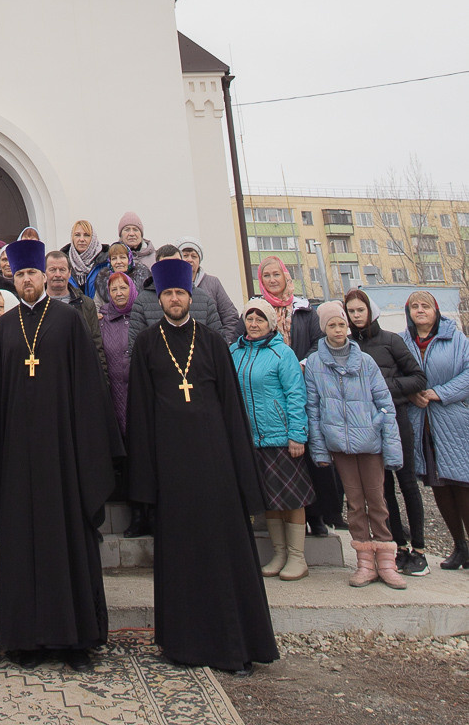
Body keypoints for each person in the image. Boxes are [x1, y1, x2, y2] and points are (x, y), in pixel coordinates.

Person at [127, 257, 279, 676]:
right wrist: (146, 483)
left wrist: (241, 473)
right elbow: (139, 417)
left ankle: (235, 643)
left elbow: (233, 410)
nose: (174, 299)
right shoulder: (146, 345)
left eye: (180, 293)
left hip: (217, 471)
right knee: (180, 559)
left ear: (190, 298)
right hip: (172, 472)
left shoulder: (212, 341)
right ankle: (182, 644)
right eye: (168, 294)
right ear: (159, 298)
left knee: (226, 555)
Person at [0, 238, 122, 670]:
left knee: (68, 545)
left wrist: (88, 457)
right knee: (21, 544)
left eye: (33, 274)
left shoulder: (67, 322)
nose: (27, 280)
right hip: (18, 462)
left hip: (64, 460)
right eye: (20, 275)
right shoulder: (5, 329)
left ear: (46, 276)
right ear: (14, 278)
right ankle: (25, 640)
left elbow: (89, 392)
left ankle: (74, 641)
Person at [304, 301, 404, 588]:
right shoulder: (315, 365)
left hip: (369, 441)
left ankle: (386, 560)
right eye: (332, 325)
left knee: (377, 500)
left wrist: (389, 443)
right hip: (340, 443)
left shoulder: (366, 361)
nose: (339, 330)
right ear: (324, 329)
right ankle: (364, 561)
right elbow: (313, 407)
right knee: (355, 502)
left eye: (342, 324)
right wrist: (321, 448)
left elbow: (385, 404)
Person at [345, 288, 428, 575]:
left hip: (396, 420)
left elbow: (418, 378)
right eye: (351, 311)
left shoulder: (391, 341)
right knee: (382, 489)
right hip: (367, 426)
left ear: (370, 310)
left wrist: (384, 390)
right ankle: (398, 544)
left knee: (407, 482)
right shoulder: (348, 346)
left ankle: (419, 549)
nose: (356, 316)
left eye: (360, 310)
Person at [229, 297, 313, 582]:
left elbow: (295, 394)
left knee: (292, 498)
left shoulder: (282, 353)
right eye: (249, 319)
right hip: (251, 438)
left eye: (259, 319)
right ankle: (279, 553)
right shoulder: (234, 352)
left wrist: (297, 434)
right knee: (270, 498)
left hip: (281, 437)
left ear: (270, 324)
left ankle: (297, 556)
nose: (253, 324)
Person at [253, 254, 338, 536]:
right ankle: (286, 516)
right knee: (286, 457)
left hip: (302, 379)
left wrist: (302, 363)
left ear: (286, 276)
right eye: (266, 276)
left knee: (310, 450)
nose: (272, 280)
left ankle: (318, 515)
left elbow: (318, 343)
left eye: (276, 274)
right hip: (272, 390)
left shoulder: (304, 309)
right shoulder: (258, 309)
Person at [401, 290, 469, 571]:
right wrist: (412, 394)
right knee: (438, 484)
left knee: (462, 484)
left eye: (425, 306)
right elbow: (395, 376)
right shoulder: (403, 342)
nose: (420, 310)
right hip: (422, 423)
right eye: (414, 306)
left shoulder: (455, 338)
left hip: (453, 421)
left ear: (436, 310)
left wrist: (437, 393)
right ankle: (460, 547)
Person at [128, 246, 225, 349]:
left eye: (176, 263)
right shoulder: (142, 301)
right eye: (166, 265)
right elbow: (136, 348)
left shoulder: (203, 299)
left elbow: (218, 344)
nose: (172, 268)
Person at [44, 250, 106, 379]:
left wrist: (103, 381)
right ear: (44, 273)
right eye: (52, 270)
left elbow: (96, 345)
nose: (57, 274)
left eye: (62, 270)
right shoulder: (38, 305)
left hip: (78, 375)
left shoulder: (86, 304)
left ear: (69, 273)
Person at [177, 241, 241, 344]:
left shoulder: (213, 283)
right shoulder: (172, 286)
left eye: (194, 256)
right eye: (185, 255)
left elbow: (230, 316)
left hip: (208, 348)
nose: (189, 259)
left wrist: (224, 344)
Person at [99, 271, 136, 441]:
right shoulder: (102, 319)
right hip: (114, 389)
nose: (119, 293)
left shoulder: (139, 316)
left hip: (137, 388)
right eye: (114, 290)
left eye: (123, 288)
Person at [89, 240, 149, 305]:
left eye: (122, 257)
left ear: (129, 259)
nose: (118, 262)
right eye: (114, 258)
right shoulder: (102, 281)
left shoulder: (143, 278)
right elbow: (97, 305)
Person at [62, 220, 107, 294]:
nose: (82, 239)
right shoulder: (63, 262)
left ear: (93, 238)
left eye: (86, 235)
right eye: (77, 235)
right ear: (72, 238)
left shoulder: (105, 261)